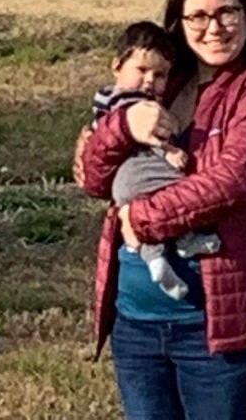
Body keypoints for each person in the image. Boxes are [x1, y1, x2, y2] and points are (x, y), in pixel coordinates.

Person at [79, 0, 246, 420]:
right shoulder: (156, 81)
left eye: (226, 13)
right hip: (135, 322)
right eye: (197, 15)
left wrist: (142, 219)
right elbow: (95, 179)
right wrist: (122, 128)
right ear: (179, 19)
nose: (213, 27)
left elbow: (232, 180)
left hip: (216, 331)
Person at [91, 21, 221, 302]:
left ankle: (156, 262)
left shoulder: (104, 98)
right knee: (186, 187)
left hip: (124, 185)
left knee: (150, 212)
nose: (149, 80)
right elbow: (145, 134)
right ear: (116, 66)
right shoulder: (132, 100)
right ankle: (186, 239)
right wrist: (169, 151)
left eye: (160, 75)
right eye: (141, 70)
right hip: (138, 170)